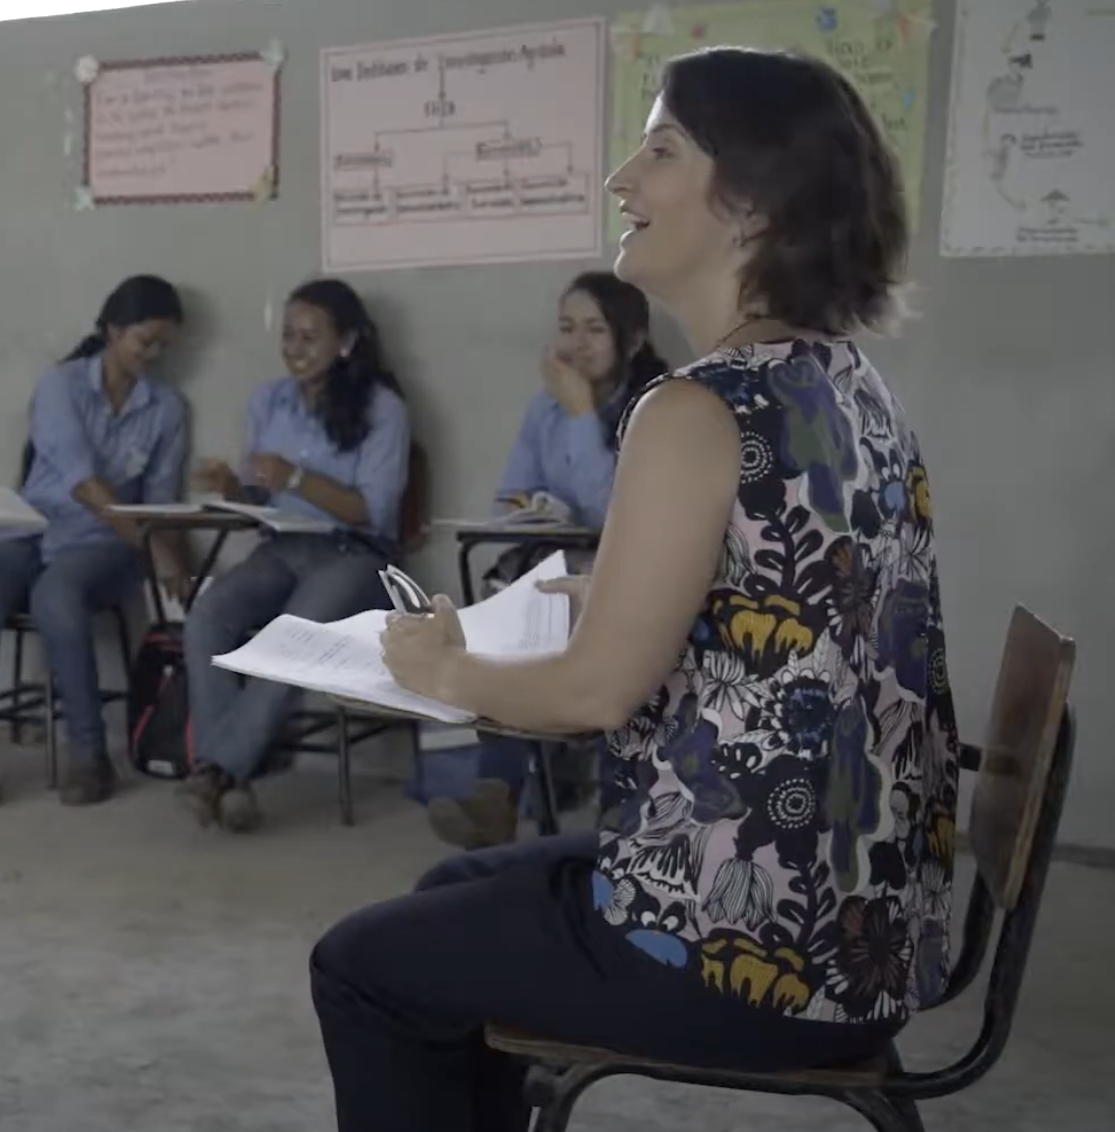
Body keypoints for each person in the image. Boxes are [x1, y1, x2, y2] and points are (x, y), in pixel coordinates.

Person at [310, 48, 960, 1132]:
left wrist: (443, 667)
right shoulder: (843, 382)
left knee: (361, 966)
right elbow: (791, 601)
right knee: (440, 902)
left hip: (748, 950)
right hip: (870, 921)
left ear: (752, 199)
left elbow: (590, 700)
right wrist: (607, 588)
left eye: (658, 150)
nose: (620, 178)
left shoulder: (689, 407)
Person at [428, 272, 669, 850]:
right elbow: (508, 497)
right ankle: (496, 799)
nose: (575, 344)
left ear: (632, 341)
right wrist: (530, 509)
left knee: (530, 635)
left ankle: (515, 796)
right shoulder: (546, 407)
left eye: (593, 330)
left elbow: (623, 516)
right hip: (552, 568)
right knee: (496, 634)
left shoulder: (660, 406)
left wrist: (584, 415)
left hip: (625, 580)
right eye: (565, 329)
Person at [0, 274, 190, 810]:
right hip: (33, 528)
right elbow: (82, 481)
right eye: (143, 341)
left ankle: (89, 755)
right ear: (112, 330)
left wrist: (163, 550)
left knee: (56, 596)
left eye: (163, 346)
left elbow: (160, 500)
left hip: (101, 543)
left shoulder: (166, 409)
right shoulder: (60, 385)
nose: (152, 354)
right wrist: (154, 549)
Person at [178, 279, 409, 833]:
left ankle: (216, 769)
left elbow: (370, 512)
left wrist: (298, 478)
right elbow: (261, 495)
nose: (295, 348)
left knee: (289, 637)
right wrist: (231, 487)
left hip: (356, 555)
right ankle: (230, 780)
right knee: (207, 616)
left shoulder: (384, 409)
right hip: (282, 547)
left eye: (311, 336)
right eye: (288, 336)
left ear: (347, 342)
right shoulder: (268, 401)